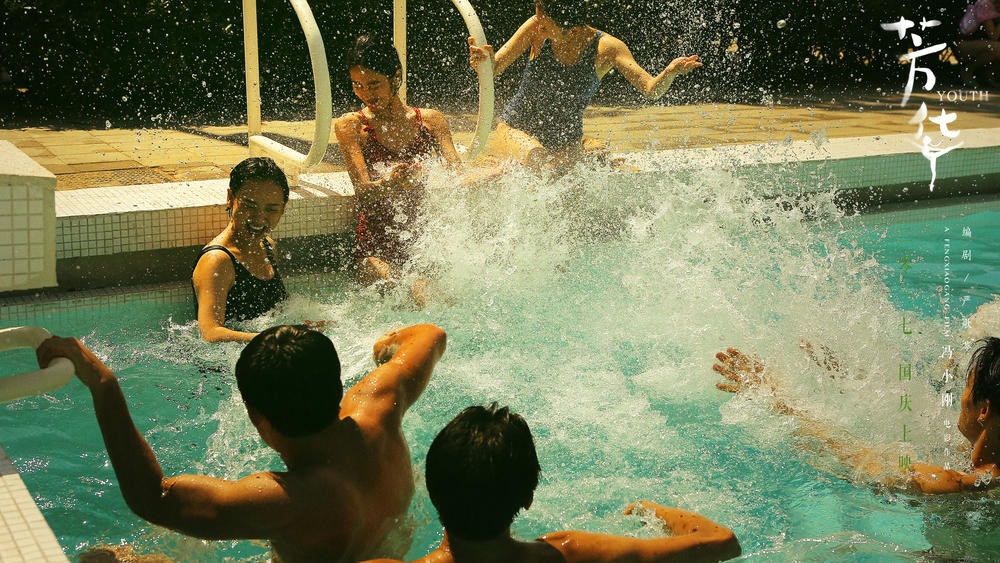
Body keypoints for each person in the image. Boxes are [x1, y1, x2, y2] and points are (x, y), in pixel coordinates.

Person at [36, 323, 448, 561]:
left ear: (257, 420)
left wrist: (103, 383)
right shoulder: (378, 405)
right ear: (338, 387)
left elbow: (153, 498)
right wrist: (386, 344)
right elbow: (432, 335)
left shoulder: (284, 500)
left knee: (99, 560)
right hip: (390, 551)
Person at [361, 404, 741, 563]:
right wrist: (651, 510)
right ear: (527, 497)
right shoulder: (570, 554)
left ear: (430, 489)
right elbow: (722, 542)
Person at [712, 336, 1000, 494]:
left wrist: (780, 402)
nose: (960, 399)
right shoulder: (977, 459)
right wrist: (847, 378)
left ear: (983, 410)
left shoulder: (946, 482)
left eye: (966, 388)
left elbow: (854, 458)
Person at [468, 0, 702, 172]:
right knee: (542, 164)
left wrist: (670, 72)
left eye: (545, 27)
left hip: (565, 138)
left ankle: (590, 153)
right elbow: (494, 68)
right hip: (516, 129)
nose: (539, 28)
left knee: (576, 180)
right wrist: (484, 63)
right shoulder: (535, 26)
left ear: (573, 31)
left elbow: (651, 89)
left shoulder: (607, 48)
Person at [334, 35, 462, 295]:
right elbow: (363, 191)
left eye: (374, 84)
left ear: (396, 77)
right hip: (374, 252)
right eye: (357, 85)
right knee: (417, 293)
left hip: (422, 244)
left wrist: (505, 170)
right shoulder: (352, 126)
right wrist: (389, 183)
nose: (366, 94)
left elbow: (458, 177)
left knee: (447, 296)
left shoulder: (431, 121)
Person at [192, 157, 290, 343]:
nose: (259, 218)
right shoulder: (217, 261)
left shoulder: (268, 247)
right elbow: (210, 333)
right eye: (249, 205)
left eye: (271, 209)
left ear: (283, 209)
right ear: (230, 198)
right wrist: (274, 339)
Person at [955, 0, 1000, 87]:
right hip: (964, 45)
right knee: (997, 48)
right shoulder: (985, 7)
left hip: (983, 46)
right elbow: (993, 36)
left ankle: (989, 76)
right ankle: (967, 71)